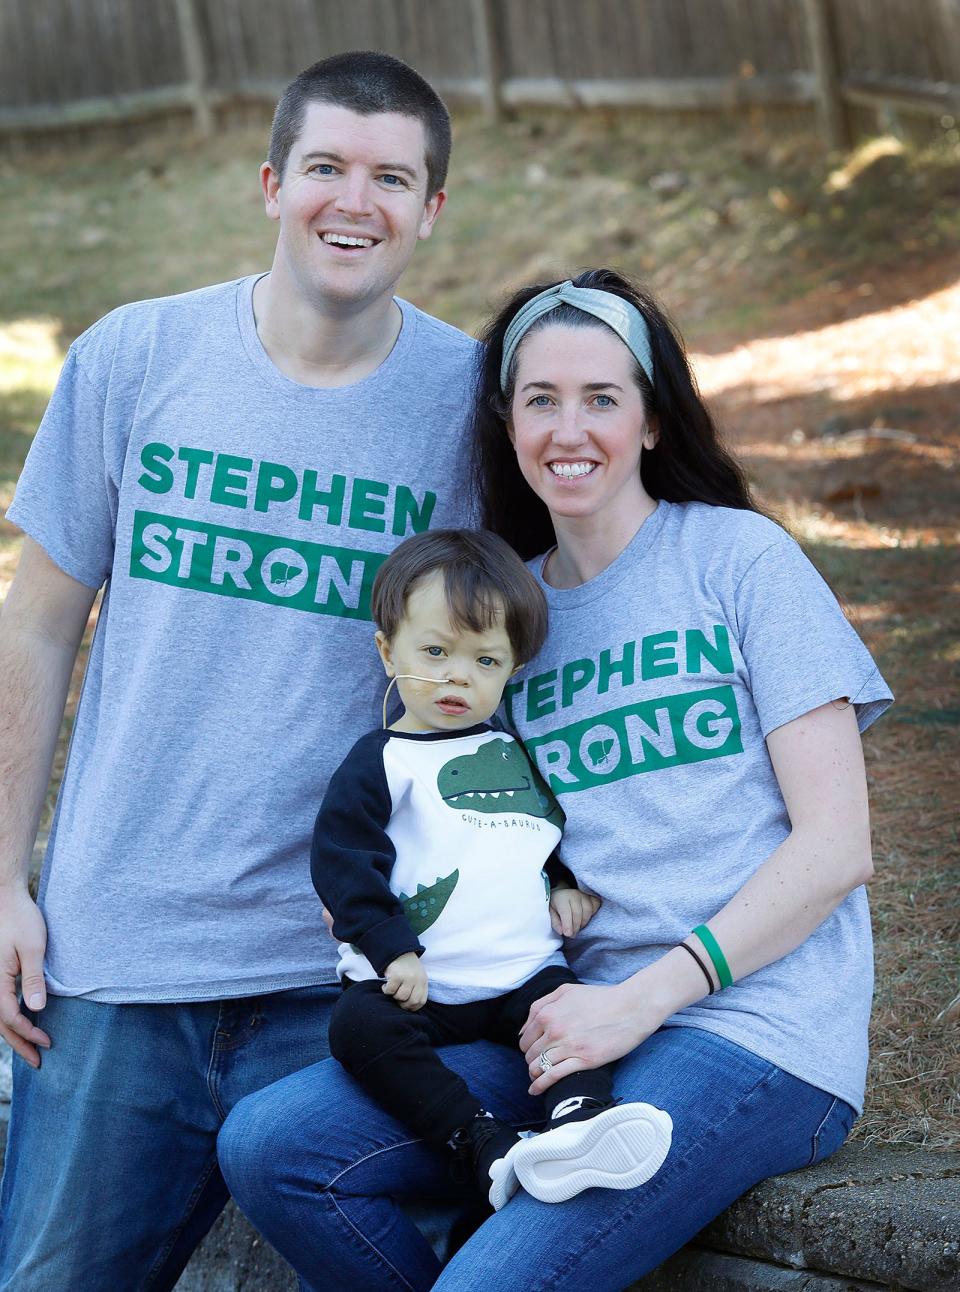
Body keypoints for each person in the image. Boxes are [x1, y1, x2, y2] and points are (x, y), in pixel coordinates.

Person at [216, 269, 892, 1291]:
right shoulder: (505, 624)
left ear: (654, 419)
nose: (568, 428)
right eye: (541, 398)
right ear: (508, 419)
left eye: (602, 397)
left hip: (751, 1030)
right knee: (275, 1145)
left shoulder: (740, 561)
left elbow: (838, 846)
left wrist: (642, 999)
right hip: (560, 1021)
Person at [0, 50, 479, 1290]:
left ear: (431, 209)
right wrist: (3, 878)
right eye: (325, 166)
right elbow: (37, 626)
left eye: (391, 177)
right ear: (272, 182)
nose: (352, 201)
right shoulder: (131, 358)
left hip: (340, 977)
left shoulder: (469, 405)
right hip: (114, 958)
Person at [315, 528, 673, 1211]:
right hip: (420, 982)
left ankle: (579, 1124)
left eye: (485, 660)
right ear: (388, 651)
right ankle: (482, 1144)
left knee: (566, 1013)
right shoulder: (380, 761)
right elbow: (342, 863)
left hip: (519, 969)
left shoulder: (512, 749)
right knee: (357, 1030)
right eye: (435, 652)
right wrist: (393, 951)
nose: (458, 675)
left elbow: (544, 834)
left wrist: (564, 886)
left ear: (511, 669)